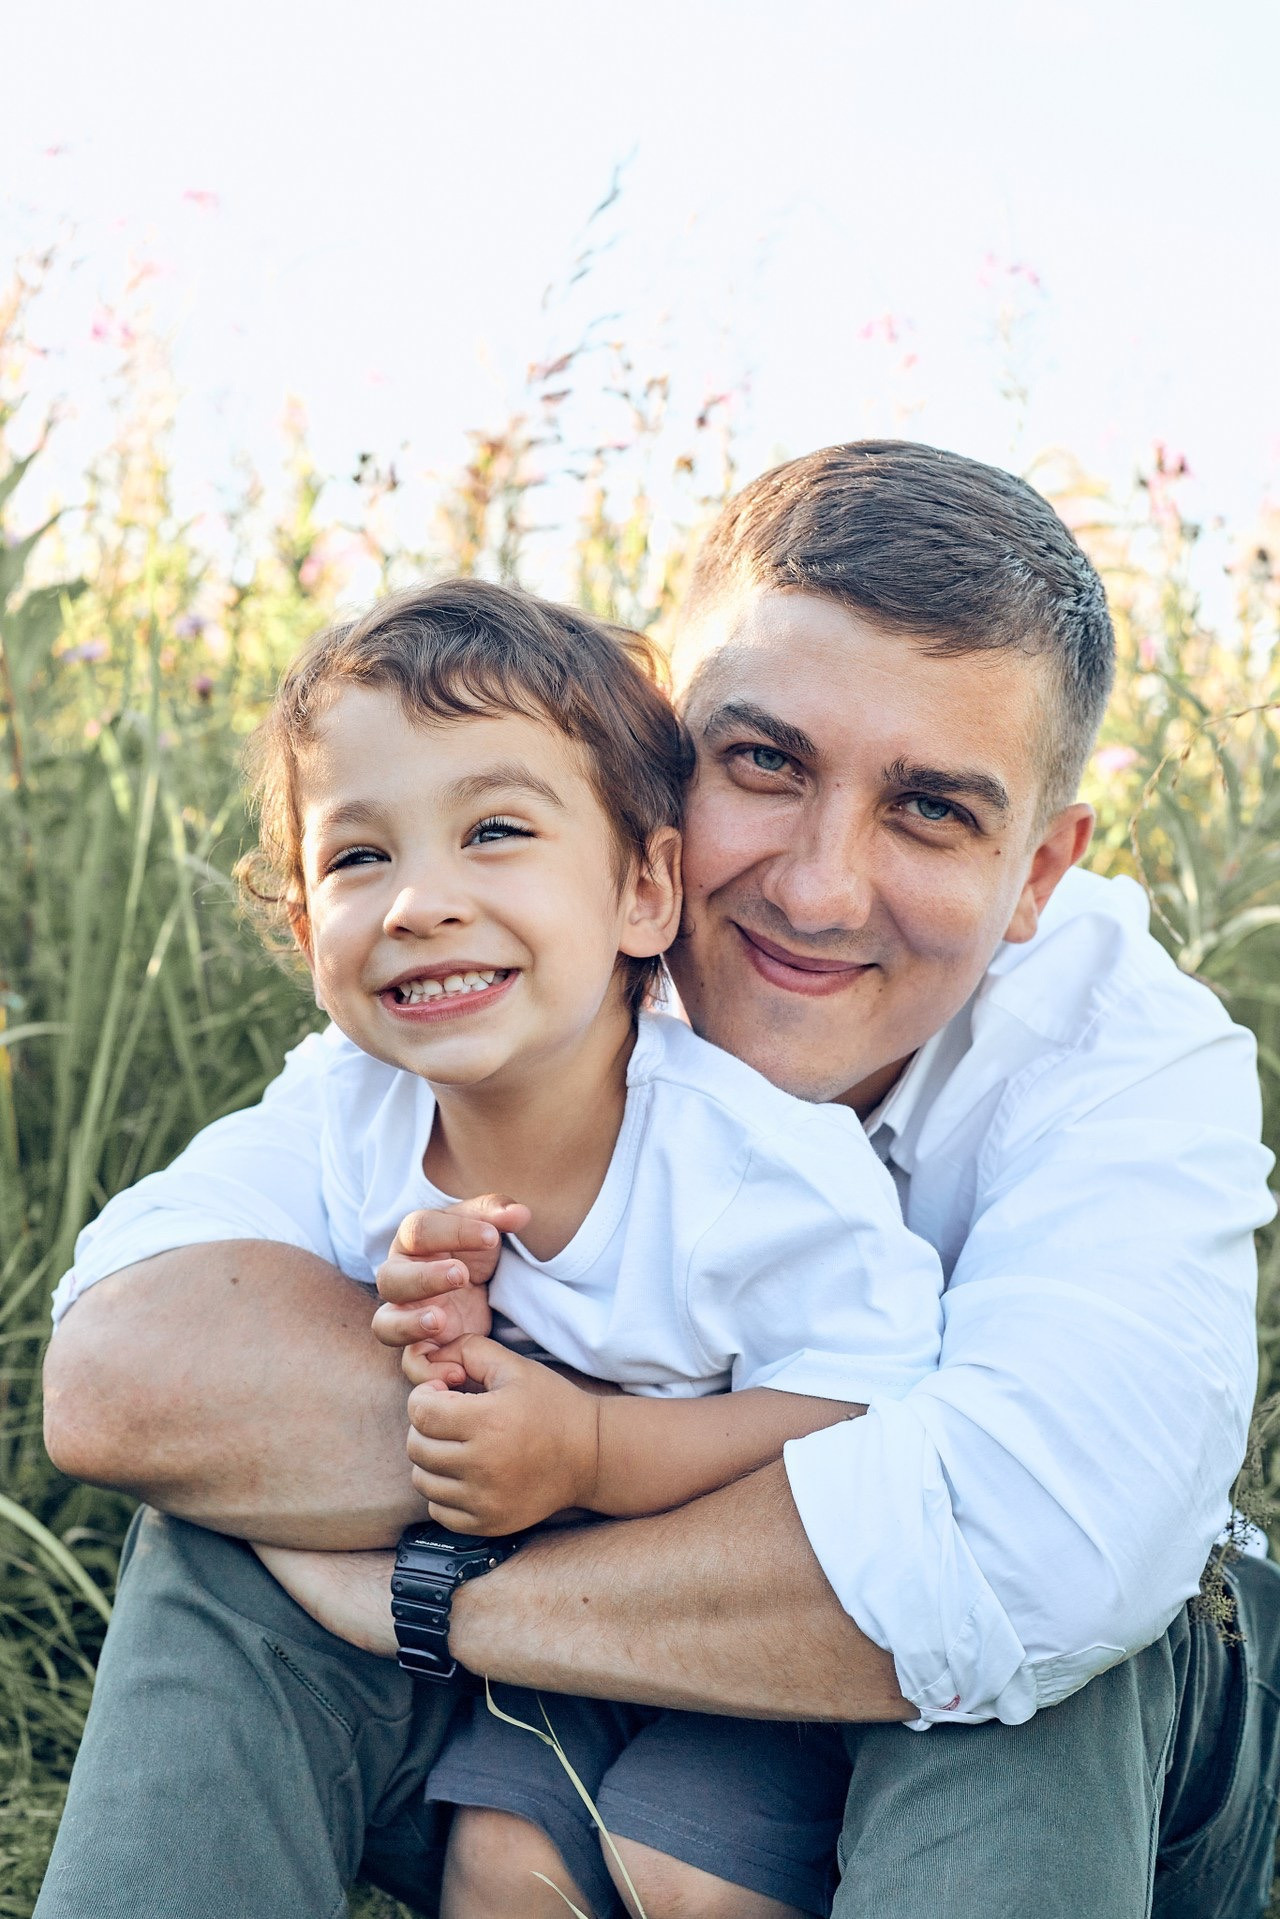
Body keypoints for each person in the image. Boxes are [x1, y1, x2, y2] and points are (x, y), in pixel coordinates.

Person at [38, 441, 1280, 1919]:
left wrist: (441, 1585)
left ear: (1037, 873)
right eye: (765, 763)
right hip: (637, 1667)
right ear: (655, 756)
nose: (818, 889)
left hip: (1108, 1749)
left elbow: (1043, 1543)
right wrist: (520, 1455)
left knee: (1024, 1660)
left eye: (933, 809)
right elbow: (129, 1372)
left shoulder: (1129, 1058)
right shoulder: (524, 964)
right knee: (227, 1533)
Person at [229, 574, 945, 1917]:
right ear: (300, 926)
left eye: (494, 831)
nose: (418, 903)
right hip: (560, 1638)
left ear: (643, 890)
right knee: (500, 1864)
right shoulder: (347, 1117)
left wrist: (596, 1452)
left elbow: (877, 1399)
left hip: (770, 1639)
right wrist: (420, 1328)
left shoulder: (753, 1168)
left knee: (685, 1873)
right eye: (357, 856)